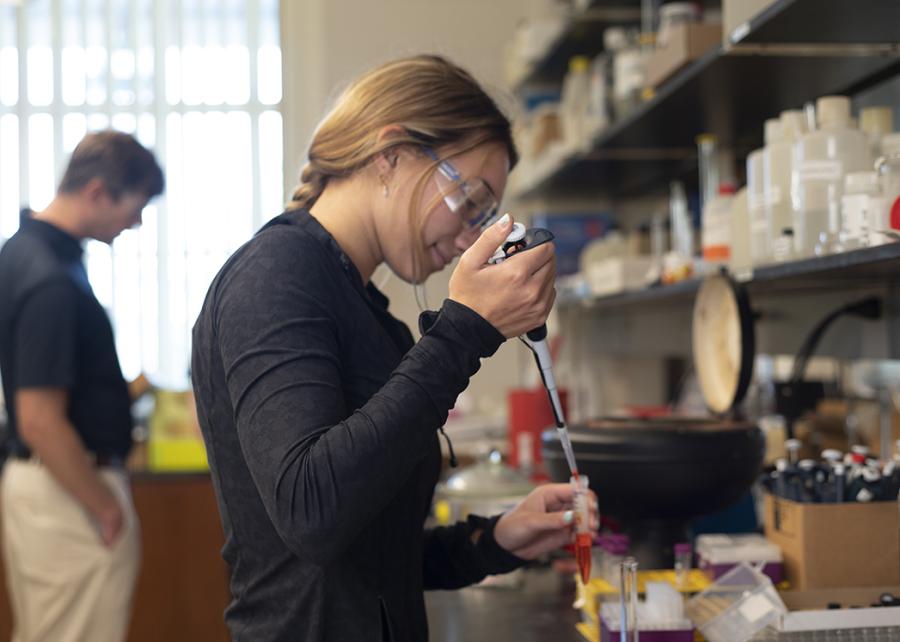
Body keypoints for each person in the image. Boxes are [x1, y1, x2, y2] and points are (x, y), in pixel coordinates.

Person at [191, 55, 598, 642]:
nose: (466, 239)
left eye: (484, 217)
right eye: (469, 202)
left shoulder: (374, 318)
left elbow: (374, 562)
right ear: (392, 154)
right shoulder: (276, 274)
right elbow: (313, 515)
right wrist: (465, 330)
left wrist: (495, 539)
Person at [0, 130, 164, 642]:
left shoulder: (24, 253)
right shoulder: (50, 277)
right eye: (134, 208)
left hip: (47, 487)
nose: (135, 222)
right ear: (97, 192)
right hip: (67, 491)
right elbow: (39, 418)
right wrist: (105, 506)